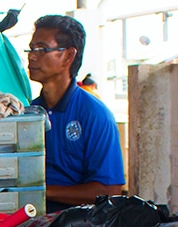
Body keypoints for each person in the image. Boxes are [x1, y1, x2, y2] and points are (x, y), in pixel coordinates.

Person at [27, 15, 125, 213]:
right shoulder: (29, 112)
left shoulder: (95, 115)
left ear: (69, 56)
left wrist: (41, 192)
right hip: (28, 217)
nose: (31, 56)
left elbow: (110, 190)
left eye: (42, 49)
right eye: (30, 49)